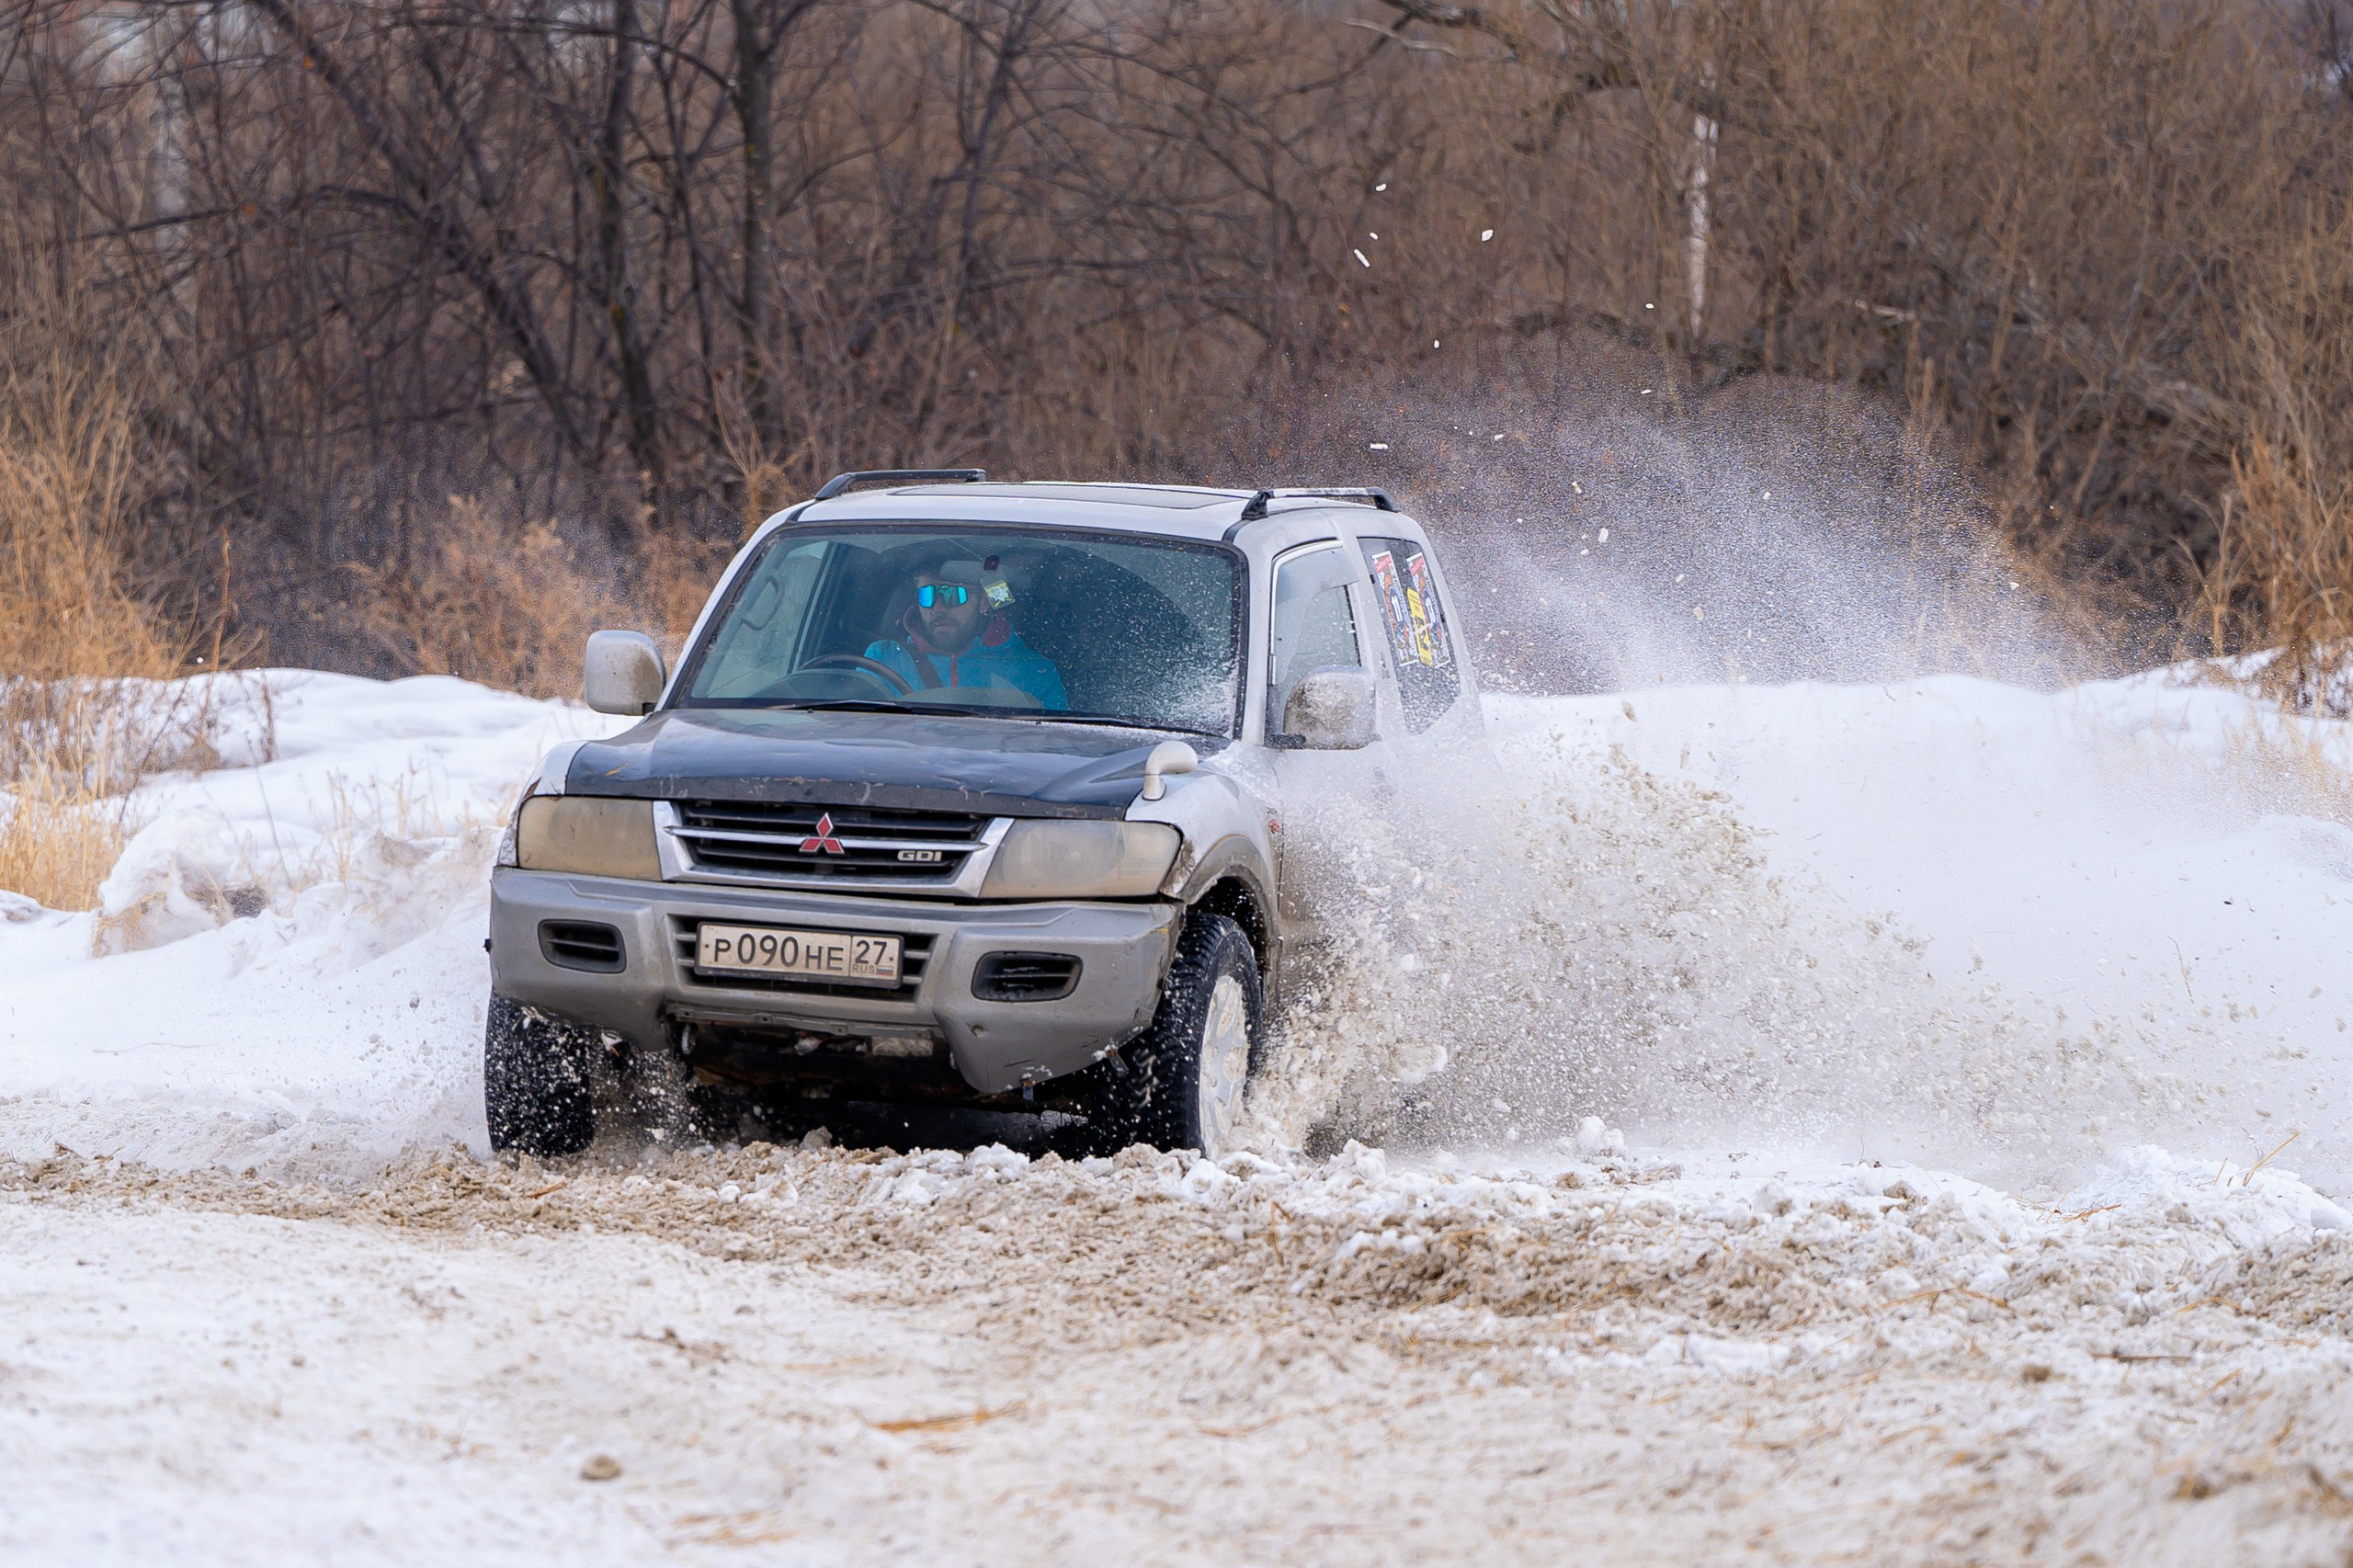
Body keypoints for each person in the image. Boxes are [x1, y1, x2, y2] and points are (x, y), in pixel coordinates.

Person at [864, 559, 1067, 710]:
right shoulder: (884, 658)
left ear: (985, 602)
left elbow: (1052, 746)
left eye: (953, 595)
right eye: (927, 596)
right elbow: (860, 729)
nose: (938, 608)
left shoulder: (1033, 670)